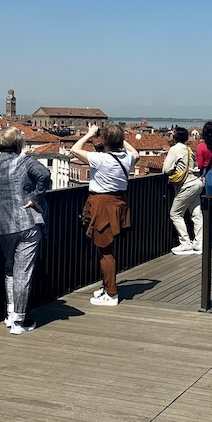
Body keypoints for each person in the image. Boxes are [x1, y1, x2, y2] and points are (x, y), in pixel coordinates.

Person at [0, 126, 51, 335]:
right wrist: (34, 198)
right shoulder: (25, 160)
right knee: (23, 272)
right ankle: (19, 321)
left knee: (10, 268)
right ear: (18, 143)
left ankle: (11, 313)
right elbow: (44, 175)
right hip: (27, 222)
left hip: (0, 222)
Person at [71, 124, 138, 307]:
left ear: (105, 141)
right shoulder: (127, 158)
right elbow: (137, 154)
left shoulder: (100, 159)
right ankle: (107, 286)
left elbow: (74, 149)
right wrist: (120, 139)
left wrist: (90, 134)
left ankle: (112, 294)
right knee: (106, 249)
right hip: (119, 204)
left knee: (105, 251)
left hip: (102, 206)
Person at [165, 127, 203, 256]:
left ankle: (185, 243)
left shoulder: (174, 149)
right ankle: (199, 243)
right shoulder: (188, 149)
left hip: (186, 185)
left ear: (175, 137)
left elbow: (166, 169)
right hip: (196, 182)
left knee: (175, 214)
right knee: (196, 213)